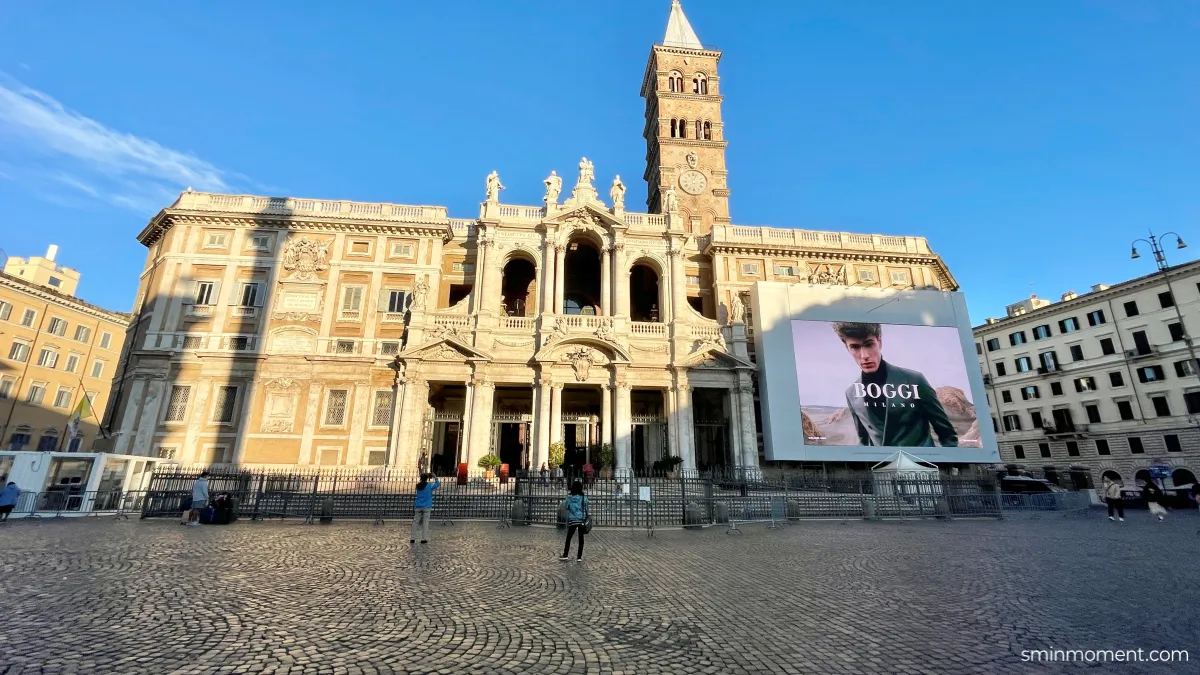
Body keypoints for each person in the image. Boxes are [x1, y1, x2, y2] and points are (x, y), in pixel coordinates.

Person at [833, 322, 959, 447]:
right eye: (855, 347)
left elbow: (947, 435)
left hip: (922, 465)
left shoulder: (914, 380)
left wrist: (943, 465)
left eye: (869, 344)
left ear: (879, 342)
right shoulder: (851, 393)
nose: (864, 355)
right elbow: (864, 441)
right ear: (847, 348)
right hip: (880, 466)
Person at [559, 479, 589, 562]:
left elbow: (566, 507)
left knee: (569, 537)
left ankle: (565, 554)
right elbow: (586, 508)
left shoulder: (569, 497)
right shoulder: (584, 498)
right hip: (581, 520)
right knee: (581, 539)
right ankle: (579, 557)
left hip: (572, 519)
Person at [411, 473, 440, 544]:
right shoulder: (429, 485)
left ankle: (412, 538)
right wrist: (435, 477)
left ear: (420, 478)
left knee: (415, 522)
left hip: (418, 506)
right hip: (427, 506)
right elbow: (437, 484)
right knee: (425, 522)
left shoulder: (417, 486)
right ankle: (424, 538)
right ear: (427, 478)